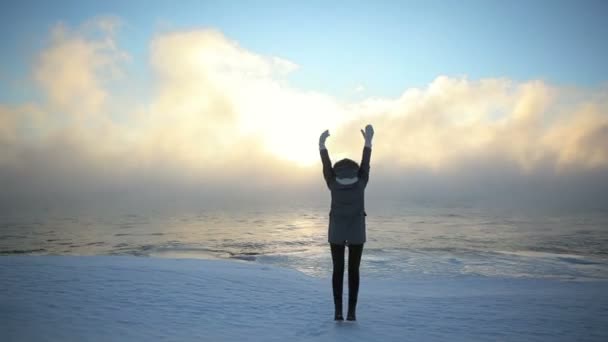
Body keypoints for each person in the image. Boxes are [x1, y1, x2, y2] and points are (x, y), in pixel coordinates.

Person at [319, 124, 373, 321]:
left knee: (338, 270)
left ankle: (338, 311)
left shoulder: (332, 183)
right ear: (355, 171)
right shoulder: (361, 183)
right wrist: (367, 142)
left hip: (336, 232)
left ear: (337, 172)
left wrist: (322, 145)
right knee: (353, 271)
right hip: (357, 232)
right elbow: (366, 163)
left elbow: (326, 166)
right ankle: (351, 312)